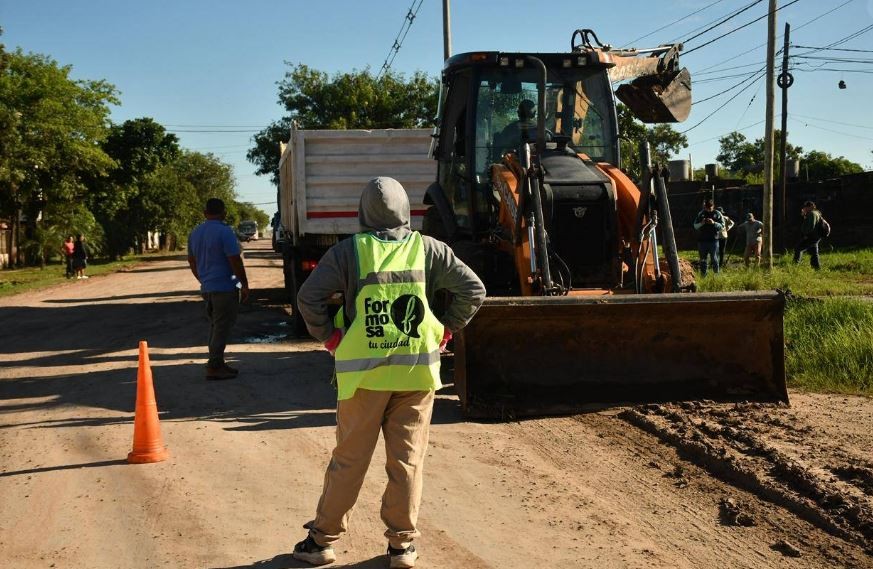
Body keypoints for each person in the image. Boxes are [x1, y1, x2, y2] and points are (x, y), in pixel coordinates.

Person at [292, 177, 486, 568]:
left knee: (349, 460)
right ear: (405, 211)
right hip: (415, 377)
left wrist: (330, 337)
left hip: (363, 379)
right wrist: (446, 328)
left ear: (363, 213)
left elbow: (308, 297)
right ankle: (401, 547)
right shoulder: (429, 249)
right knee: (407, 462)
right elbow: (474, 290)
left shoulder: (348, 253)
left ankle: (322, 541)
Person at [187, 198, 250, 380]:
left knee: (215, 326)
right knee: (222, 327)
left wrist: (203, 279)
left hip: (207, 288)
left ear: (205, 213)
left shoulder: (195, 232)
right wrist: (243, 284)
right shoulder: (225, 232)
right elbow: (234, 260)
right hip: (225, 288)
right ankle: (214, 366)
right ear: (224, 213)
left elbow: (192, 261)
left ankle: (218, 363)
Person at [693, 199, 724, 277]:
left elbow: (722, 227)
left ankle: (716, 275)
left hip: (713, 240)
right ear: (704, 207)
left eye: (710, 208)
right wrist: (702, 223)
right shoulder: (701, 213)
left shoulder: (717, 213)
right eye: (706, 208)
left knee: (714, 259)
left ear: (713, 206)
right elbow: (695, 226)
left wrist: (714, 223)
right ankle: (703, 275)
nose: (708, 209)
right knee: (703, 259)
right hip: (702, 241)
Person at [793, 200, 823, 270]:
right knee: (814, 252)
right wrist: (804, 215)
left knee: (798, 248)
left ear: (811, 207)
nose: (805, 208)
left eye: (806, 207)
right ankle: (817, 268)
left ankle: (794, 266)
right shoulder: (816, 213)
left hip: (811, 236)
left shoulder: (812, 214)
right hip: (816, 236)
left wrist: (806, 235)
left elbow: (810, 226)